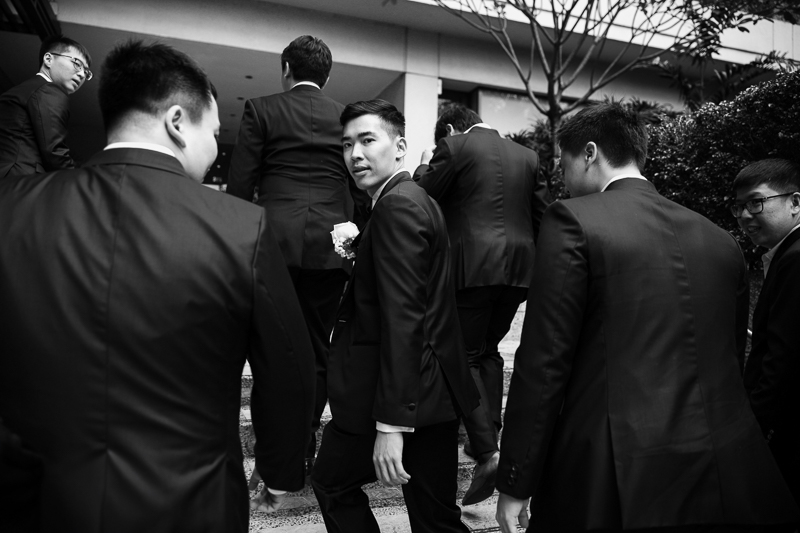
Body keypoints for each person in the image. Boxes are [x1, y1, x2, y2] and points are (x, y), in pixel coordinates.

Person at [0, 40, 315, 533]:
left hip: (36, 503)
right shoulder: (241, 226)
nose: (215, 151)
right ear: (177, 122)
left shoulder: (13, 207)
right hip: (192, 505)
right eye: (214, 133)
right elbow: (288, 367)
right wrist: (278, 468)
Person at [495, 102, 799, 533]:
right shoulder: (720, 240)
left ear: (590, 153)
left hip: (612, 468)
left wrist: (516, 479)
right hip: (717, 466)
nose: (562, 178)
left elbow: (544, 362)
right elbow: (729, 361)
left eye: (563, 163)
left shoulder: (574, 220)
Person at [311, 99, 479, 533]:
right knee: (435, 518)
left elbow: (405, 318)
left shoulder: (397, 206)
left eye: (368, 140)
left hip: (401, 396)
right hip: (429, 391)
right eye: (347, 144)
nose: (355, 154)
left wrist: (392, 423)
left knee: (332, 482)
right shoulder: (409, 198)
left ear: (400, 147)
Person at [227, 35, 370, 471]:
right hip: (331, 247)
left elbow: (240, 185)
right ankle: (305, 440)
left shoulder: (261, 109)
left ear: (286, 68)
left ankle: (275, 449)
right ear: (326, 75)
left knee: (269, 346)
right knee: (317, 347)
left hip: (274, 244)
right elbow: (357, 184)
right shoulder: (345, 118)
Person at [413, 103, 549, 505]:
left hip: (471, 268)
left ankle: (488, 451)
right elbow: (541, 217)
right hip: (519, 271)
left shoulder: (454, 147)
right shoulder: (528, 156)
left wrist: (424, 164)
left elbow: (420, 197)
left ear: (450, 129)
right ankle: (487, 437)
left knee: (463, 355)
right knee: (488, 350)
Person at [734, 158, 800, 518]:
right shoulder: (785, 254)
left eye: (757, 202)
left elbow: (782, 356)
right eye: (739, 207)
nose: (746, 215)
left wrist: (758, 424)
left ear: (795, 203)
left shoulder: (795, 259)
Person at [0, 35, 90, 179]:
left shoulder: (25, 89)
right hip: (20, 180)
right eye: (77, 64)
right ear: (48, 59)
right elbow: (54, 152)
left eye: (86, 72)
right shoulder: (48, 90)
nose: (81, 74)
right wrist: (77, 181)